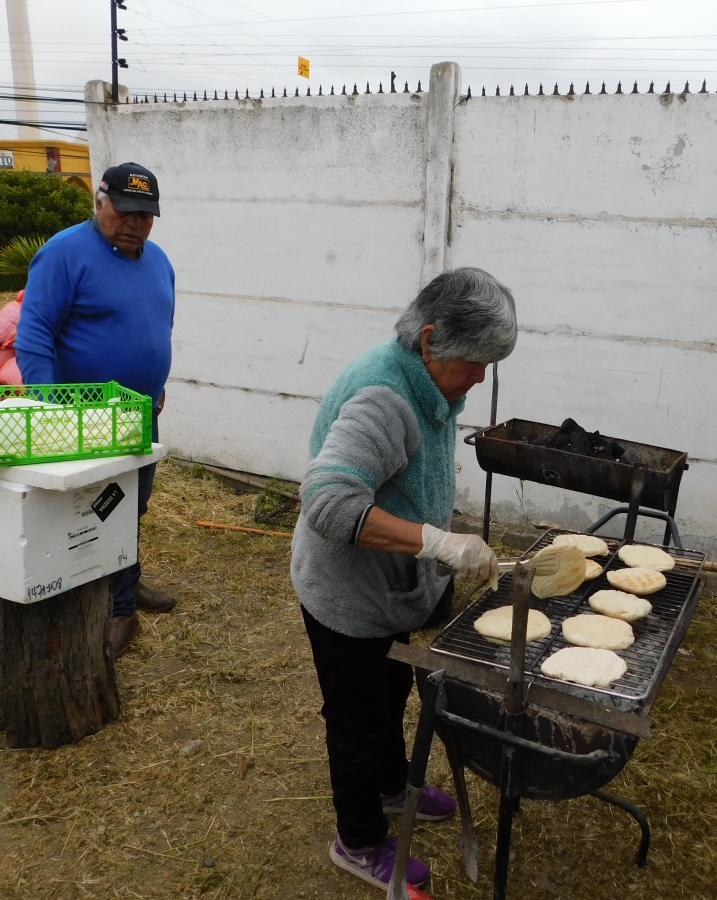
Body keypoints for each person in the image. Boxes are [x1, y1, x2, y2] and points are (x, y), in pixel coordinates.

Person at [291, 267, 518, 891]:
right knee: (357, 718)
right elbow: (330, 500)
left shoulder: (430, 384)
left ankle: (393, 788)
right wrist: (438, 542)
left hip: (393, 590)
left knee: (391, 691)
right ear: (429, 339)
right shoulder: (384, 396)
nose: (480, 377)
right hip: (349, 595)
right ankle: (359, 840)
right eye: (475, 362)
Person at [16, 162, 177, 657]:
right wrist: (52, 409)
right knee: (101, 510)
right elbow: (34, 336)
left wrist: (156, 384)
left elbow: (157, 325)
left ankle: (128, 578)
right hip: (84, 419)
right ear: (100, 202)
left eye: (145, 216)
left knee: (133, 503)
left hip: (139, 414)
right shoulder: (64, 253)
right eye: (124, 212)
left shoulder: (158, 260)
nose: (134, 224)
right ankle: (118, 607)